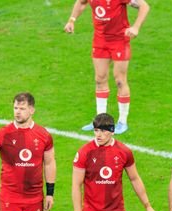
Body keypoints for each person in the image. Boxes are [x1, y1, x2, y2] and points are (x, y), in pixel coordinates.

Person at [64, 0, 151, 135]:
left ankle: (122, 121)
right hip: (100, 41)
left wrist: (136, 27)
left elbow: (144, 6)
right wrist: (72, 20)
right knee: (100, 79)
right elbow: (81, 2)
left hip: (119, 40)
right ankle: (100, 121)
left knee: (120, 80)